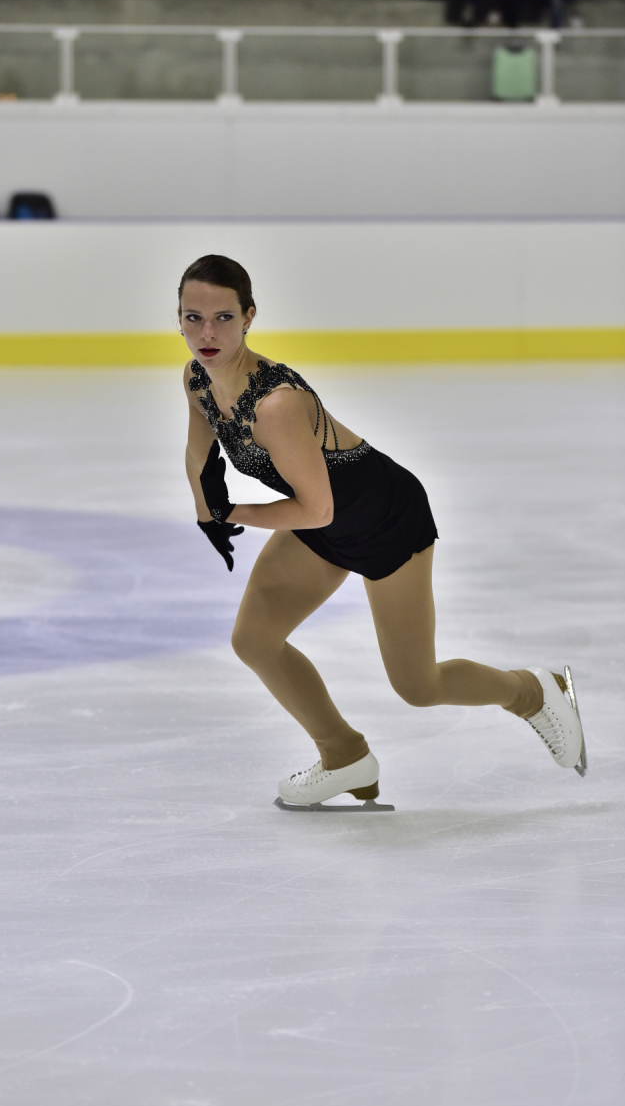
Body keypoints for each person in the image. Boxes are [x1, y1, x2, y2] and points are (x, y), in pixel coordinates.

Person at [179, 254, 586, 809]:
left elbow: (316, 509)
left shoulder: (276, 404)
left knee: (418, 686)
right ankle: (343, 754)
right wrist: (205, 511)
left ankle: (533, 692)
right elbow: (199, 450)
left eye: (223, 317)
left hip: (382, 517)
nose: (207, 333)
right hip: (321, 519)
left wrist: (233, 512)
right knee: (254, 640)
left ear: (249, 316)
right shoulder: (198, 380)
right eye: (193, 317)